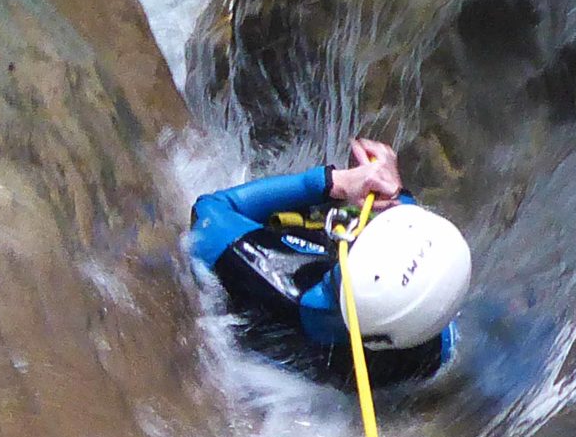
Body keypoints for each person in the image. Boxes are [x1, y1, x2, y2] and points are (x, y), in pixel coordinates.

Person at [188, 139, 472, 388]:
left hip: (278, 305)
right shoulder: (432, 349)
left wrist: (333, 183)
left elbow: (209, 210)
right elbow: (425, 281)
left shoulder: (269, 276)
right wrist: (396, 196)